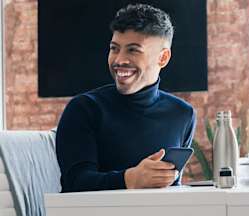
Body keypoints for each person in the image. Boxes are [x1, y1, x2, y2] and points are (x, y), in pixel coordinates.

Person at [56, 4, 196, 192]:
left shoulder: (182, 114)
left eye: (133, 50)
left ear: (163, 58)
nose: (119, 60)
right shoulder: (84, 109)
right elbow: (75, 183)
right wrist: (130, 179)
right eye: (114, 49)